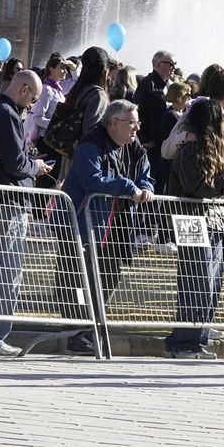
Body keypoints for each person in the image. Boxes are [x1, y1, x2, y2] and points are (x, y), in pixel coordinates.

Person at [165, 66, 224, 356]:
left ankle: (198, 331)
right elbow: (174, 153)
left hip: (217, 210)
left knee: (211, 273)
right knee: (196, 275)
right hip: (194, 213)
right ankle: (187, 338)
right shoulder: (193, 131)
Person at [63, 99, 156, 354]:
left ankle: (93, 327)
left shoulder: (134, 147)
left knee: (109, 276)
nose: (136, 128)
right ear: (114, 123)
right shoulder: (90, 145)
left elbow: (146, 173)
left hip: (118, 226)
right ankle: (77, 332)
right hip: (87, 222)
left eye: (138, 123)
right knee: (80, 278)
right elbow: (92, 178)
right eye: (132, 123)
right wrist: (127, 187)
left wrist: (146, 186)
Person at [0, 70, 52, 354]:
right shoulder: (5, 113)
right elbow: (16, 162)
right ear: (25, 89)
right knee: (6, 271)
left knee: (0, 270)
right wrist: (36, 167)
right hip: (7, 201)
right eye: (34, 100)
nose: (31, 107)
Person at [39, 46, 110, 183]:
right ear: (103, 69)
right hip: (86, 162)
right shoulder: (98, 95)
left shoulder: (78, 90)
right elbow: (91, 132)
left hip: (69, 156)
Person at [132, 51, 177, 148]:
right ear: (159, 64)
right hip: (154, 144)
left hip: (167, 141)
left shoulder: (169, 85)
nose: (174, 67)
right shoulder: (147, 84)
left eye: (175, 64)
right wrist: (146, 139)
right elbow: (138, 112)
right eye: (171, 64)